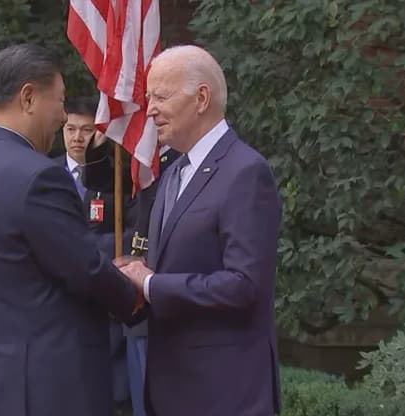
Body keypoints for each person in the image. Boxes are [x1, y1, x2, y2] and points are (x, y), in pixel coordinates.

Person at [0, 43, 141, 416]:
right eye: (59, 101)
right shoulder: (39, 176)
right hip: (46, 386)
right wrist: (136, 295)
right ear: (28, 97)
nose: (63, 116)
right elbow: (85, 269)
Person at [117, 45, 283, 415]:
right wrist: (129, 284)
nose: (151, 109)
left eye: (161, 97)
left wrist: (151, 284)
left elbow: (244, 286)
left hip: (224, 393)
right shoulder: (173, 173)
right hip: (171, 390)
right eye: (148, 98)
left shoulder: (245, 172)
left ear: (202, 98)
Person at [83, 120, 179, 416]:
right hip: (139, 295)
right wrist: (106, 130)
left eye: (161, 99)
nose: (152, 110)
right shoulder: (146, 155)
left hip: (165, 288)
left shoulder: (180, 158)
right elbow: (99, 178)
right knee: (141, 401)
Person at [58, 95, 135, 409]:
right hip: (60, 295)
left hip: (103, 289)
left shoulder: (117, 177)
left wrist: (85, 251)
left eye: (86, 130)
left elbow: (130, 233)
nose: (77, 137)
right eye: (70, 129)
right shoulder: (44, 174)